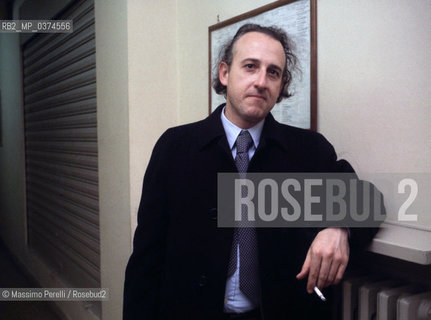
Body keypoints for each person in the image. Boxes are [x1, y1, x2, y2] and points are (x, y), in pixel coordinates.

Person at [123, 24, 380, 320]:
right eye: (250, 66)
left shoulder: (308, 151)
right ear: (224, 73)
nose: (261, 81)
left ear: (281, 85)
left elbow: (367, 199)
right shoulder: (176, 147)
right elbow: (146, 258)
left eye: (273, 72)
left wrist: (338, 227)